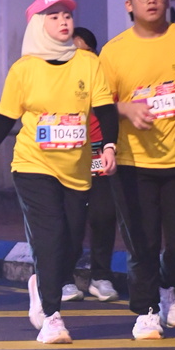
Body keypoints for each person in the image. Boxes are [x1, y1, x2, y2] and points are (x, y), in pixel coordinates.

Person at [0, 0, 118, 344]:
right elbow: (3, 119)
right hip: (33, 164)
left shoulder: (88, 62)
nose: (64, 21)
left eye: (67, 16)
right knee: (50, 236)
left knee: (71, 241)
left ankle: (40, 284)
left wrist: (110, 145)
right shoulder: (24, 69)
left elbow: (105, 109)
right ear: (38, 26)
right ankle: (52, 316)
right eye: (54, 17)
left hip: (77, 168)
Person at [99, 0, 175, 340]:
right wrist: (125, 108)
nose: (151, 0)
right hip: (133, 161)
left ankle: (166, 282)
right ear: (129, 5)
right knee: (143, 242)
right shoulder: (114, 51)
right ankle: (147, 311)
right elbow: (99, 104)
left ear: (166, 1)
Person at [70, 27, 119, 302]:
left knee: (103, 215)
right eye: (75, 53)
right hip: (68, 157)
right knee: (71, 221)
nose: (82, 58)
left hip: (100, 154)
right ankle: (63, 278)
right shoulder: (55, 77)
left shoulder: (102, 79)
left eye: (87, 52)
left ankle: (101, 277)